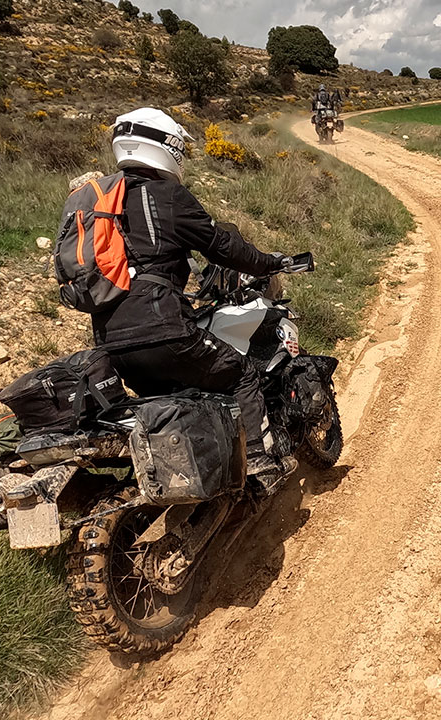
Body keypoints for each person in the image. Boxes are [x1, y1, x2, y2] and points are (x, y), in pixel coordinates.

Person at [98, 107, 296, 496]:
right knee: (240, 374)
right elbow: (222, 246)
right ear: (166, 147)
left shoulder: (102, 202)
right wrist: (270, 262)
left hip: (112, 345)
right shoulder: (167, 195)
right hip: (165, 330)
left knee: (177, 399)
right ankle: (258, 462)